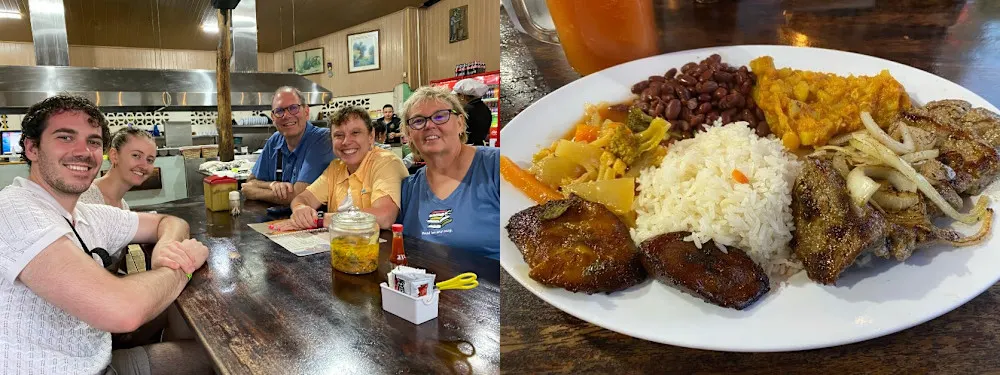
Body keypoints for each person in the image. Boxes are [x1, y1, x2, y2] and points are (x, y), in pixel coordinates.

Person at [0, 95, 211, 374]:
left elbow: (169, 220)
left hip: (98, 356)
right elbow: (122, 310)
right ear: (32, 148)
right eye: (65, 137)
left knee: (217, 353)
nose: (83, 151)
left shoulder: (86, 214)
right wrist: (183, 266)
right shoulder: (13, 210)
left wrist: (166, 248)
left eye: (93, 141)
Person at [398, 86, 500, 260]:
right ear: (408, 134)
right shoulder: (408, 188)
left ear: (460, 123)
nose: (429, 125)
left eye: (440, 116)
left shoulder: (495, 166)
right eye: (418, 121)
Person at [285, 106, 409, 231]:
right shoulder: (335, 167)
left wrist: (321, 219)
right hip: (341, 245)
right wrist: (300, 209)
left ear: (371, 136)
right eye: (339, 135)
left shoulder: (386, 162)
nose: (346, 141)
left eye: (355, 133)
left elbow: (384, 217)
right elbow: (303, 198)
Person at [242, 86, 335, 205]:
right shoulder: (274, 140)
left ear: (306, 112)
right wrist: (273, 185)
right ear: (273, 118)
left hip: (314, 220)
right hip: (277, 220)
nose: (286, 115)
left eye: (293, 108)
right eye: (279, 111)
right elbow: (250, 181)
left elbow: (299, 196)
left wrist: (255, 193)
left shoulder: (322, 140)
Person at [79, 127, 157, 210]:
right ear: (114, 156)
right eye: (136, 155)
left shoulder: (124, 206)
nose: (144, 166)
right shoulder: (83, 197)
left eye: (150, 160)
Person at [452, 78, 494, 146]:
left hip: (466, 148)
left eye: (457, 95)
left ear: (463, 96)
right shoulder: (485, 108)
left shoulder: (465, 110)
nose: (457, 99)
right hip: (480, 146)